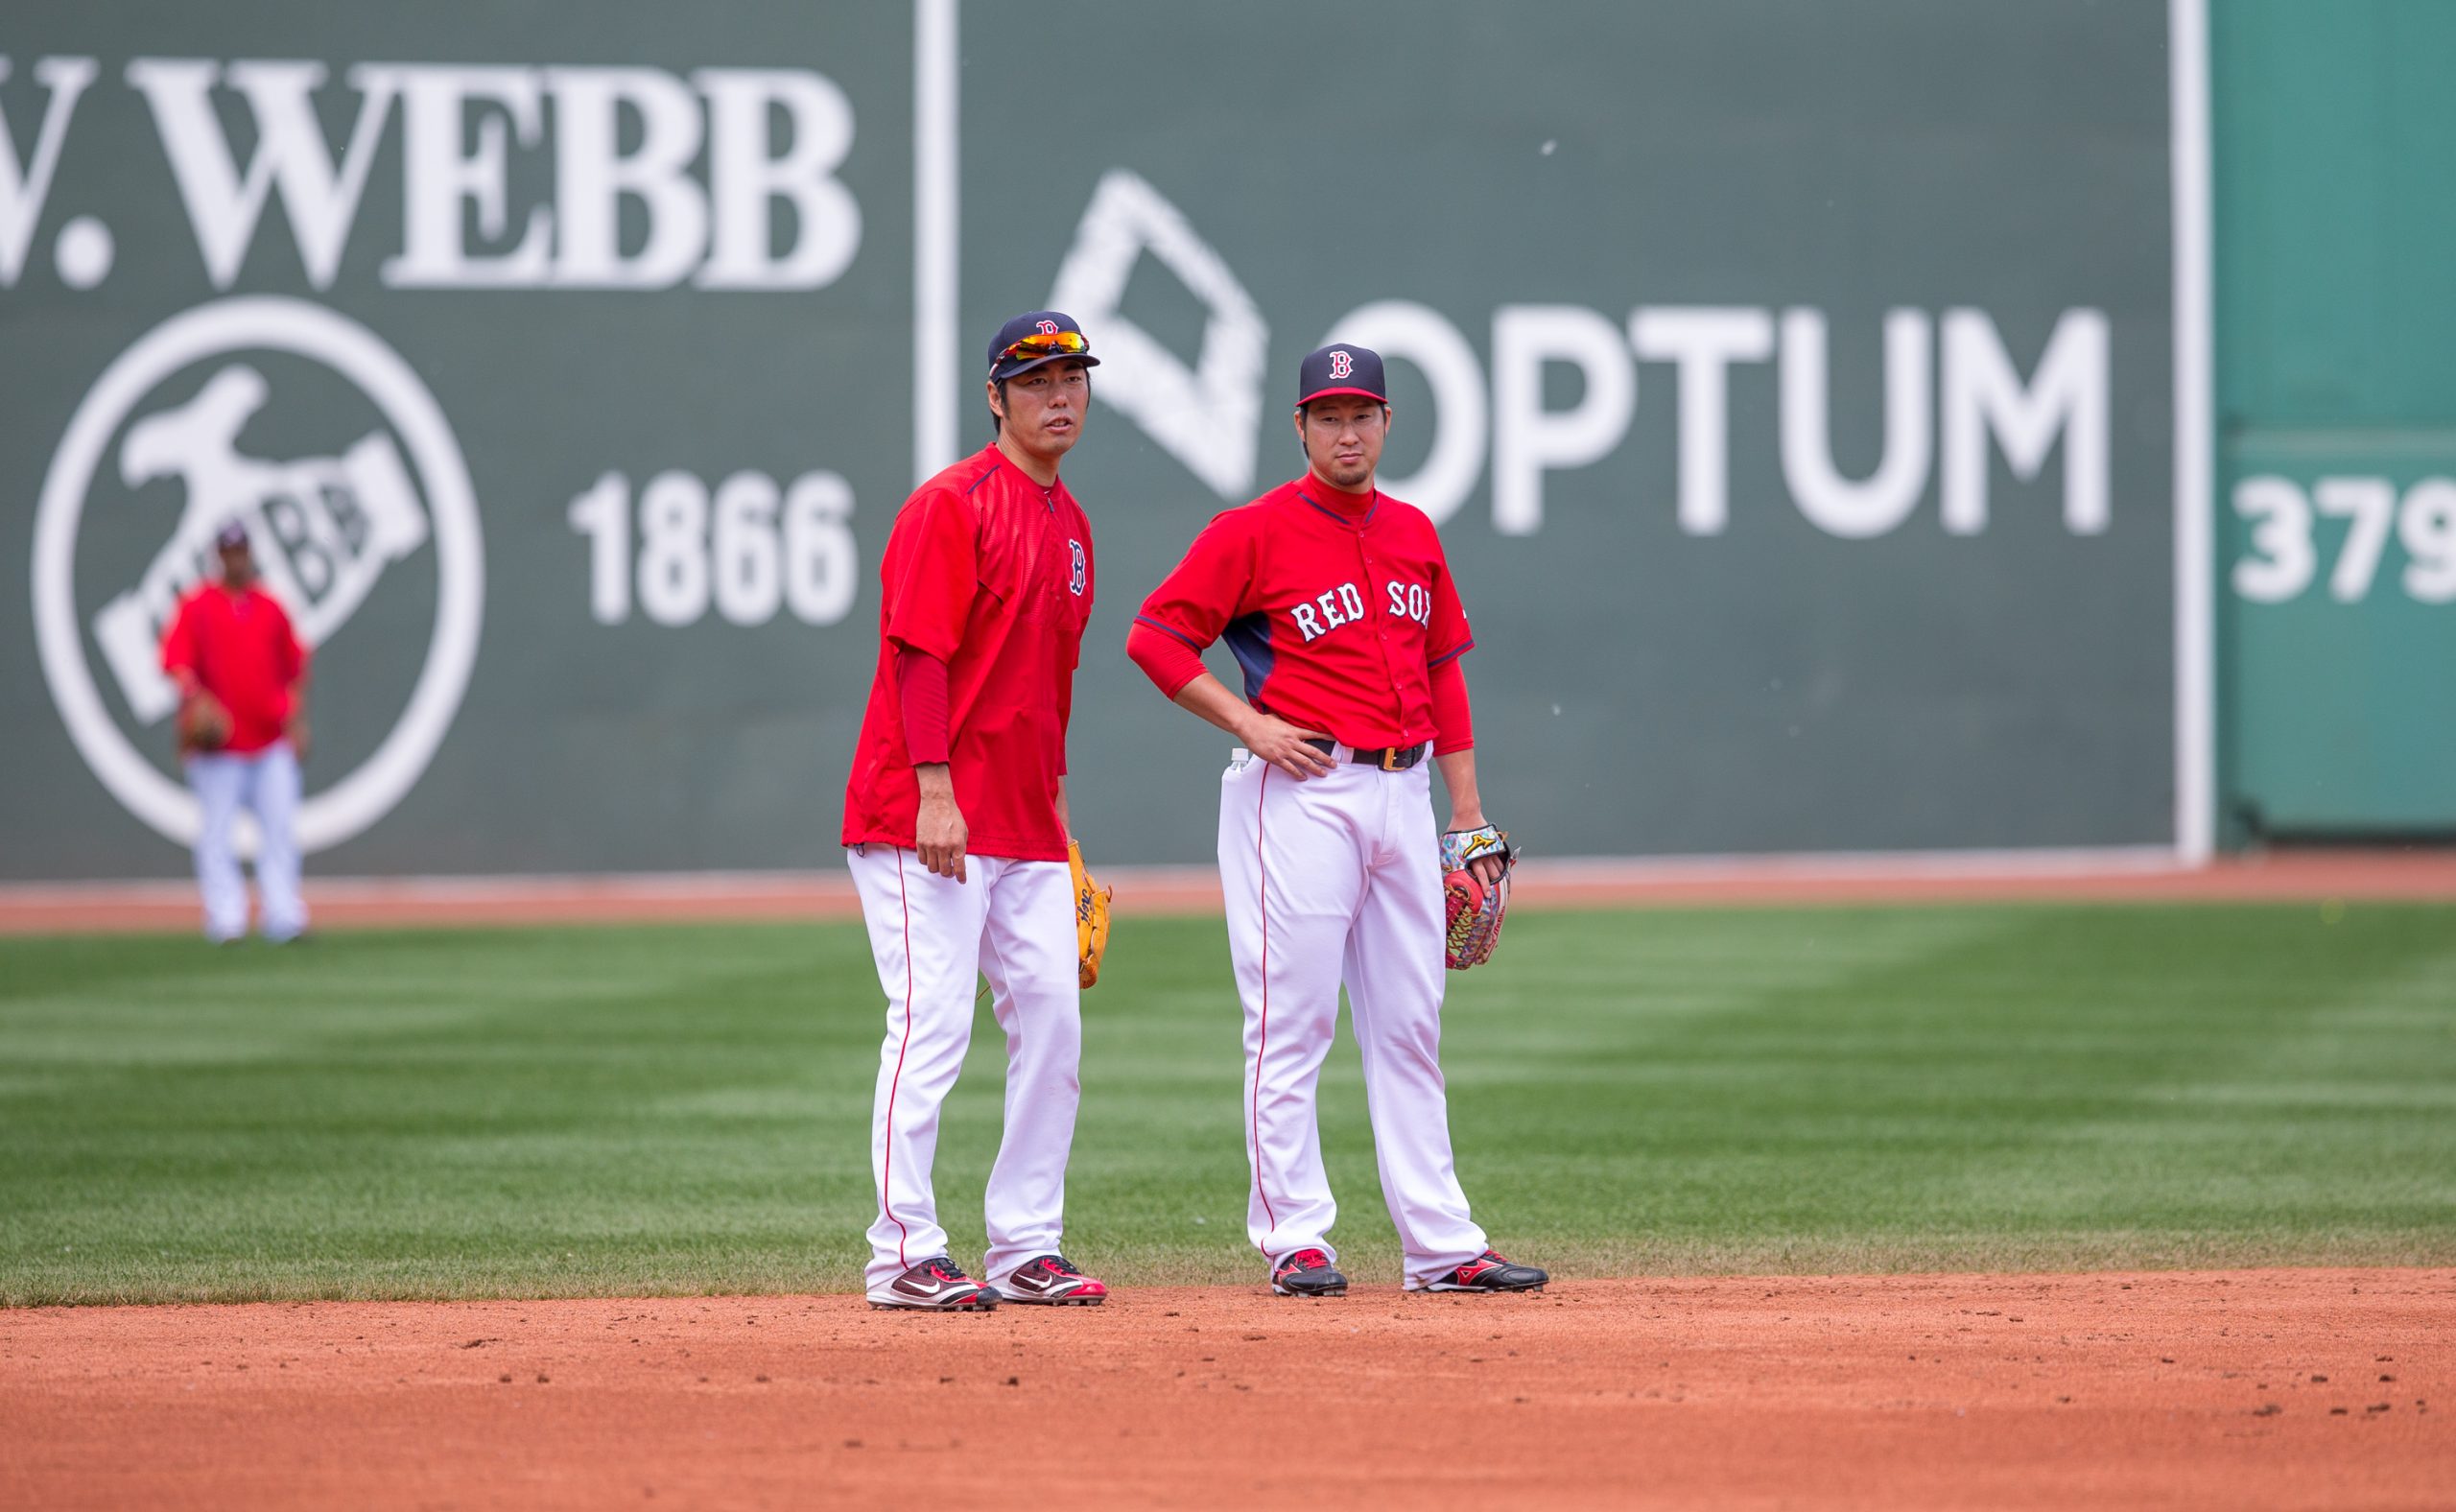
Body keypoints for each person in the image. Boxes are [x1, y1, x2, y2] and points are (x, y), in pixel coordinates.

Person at [1125, 343, 1547, 1298]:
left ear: (1387, 423)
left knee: (1409, 1023)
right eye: (1327, 415)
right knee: (1293, 1019)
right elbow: (1154, 635)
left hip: (1404, 794)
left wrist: (1466, 813)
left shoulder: (1411, 531)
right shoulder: (1254, 531)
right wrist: (1248, 723)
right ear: (1300, 428)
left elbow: (1443, 667)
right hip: (1303, 791)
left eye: (1361, 414)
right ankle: (1294, 1236)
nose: (1346, 430)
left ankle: (1441, 1244)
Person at [839, 311, 1108, 1311]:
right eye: (1035, 380)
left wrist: (1065, 835)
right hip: (924, 813)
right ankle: (903, 1249)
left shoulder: (1072, 528)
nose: (1059, 395)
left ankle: (1025, 1242)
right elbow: (919, 656)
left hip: (1027, 822)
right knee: (931, 1023)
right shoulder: (952, 505)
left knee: (1053, 1020)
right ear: (995, 397)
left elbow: (1046, 696)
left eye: (1072, 377)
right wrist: (936, 792)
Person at [159, 520, 311, 944]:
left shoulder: (270, 606)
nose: (236, 558)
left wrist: (296, 720)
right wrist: (195, 697)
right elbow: (175, 661)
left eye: (242, 550)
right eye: (229, 551)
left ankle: (284, 916)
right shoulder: (197, 606)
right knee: (217, 834)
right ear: (218, 557)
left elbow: (294, 668)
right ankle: (226, 918)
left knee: (279, 831)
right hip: (219, 748)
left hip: (269, 740)